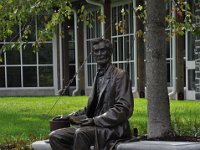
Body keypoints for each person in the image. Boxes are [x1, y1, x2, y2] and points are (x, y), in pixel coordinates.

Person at [49, 38, 134, 150]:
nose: (100, 54)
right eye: (96, 51)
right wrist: (69, 117)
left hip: (113, 129)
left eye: (103, 50)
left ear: (110, 52)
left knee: (81, 133)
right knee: (56, 136)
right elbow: (90, 109)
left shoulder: (120, 75)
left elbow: (124, 108)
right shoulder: (97, 77)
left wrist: (95, 120)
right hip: (94, 126)